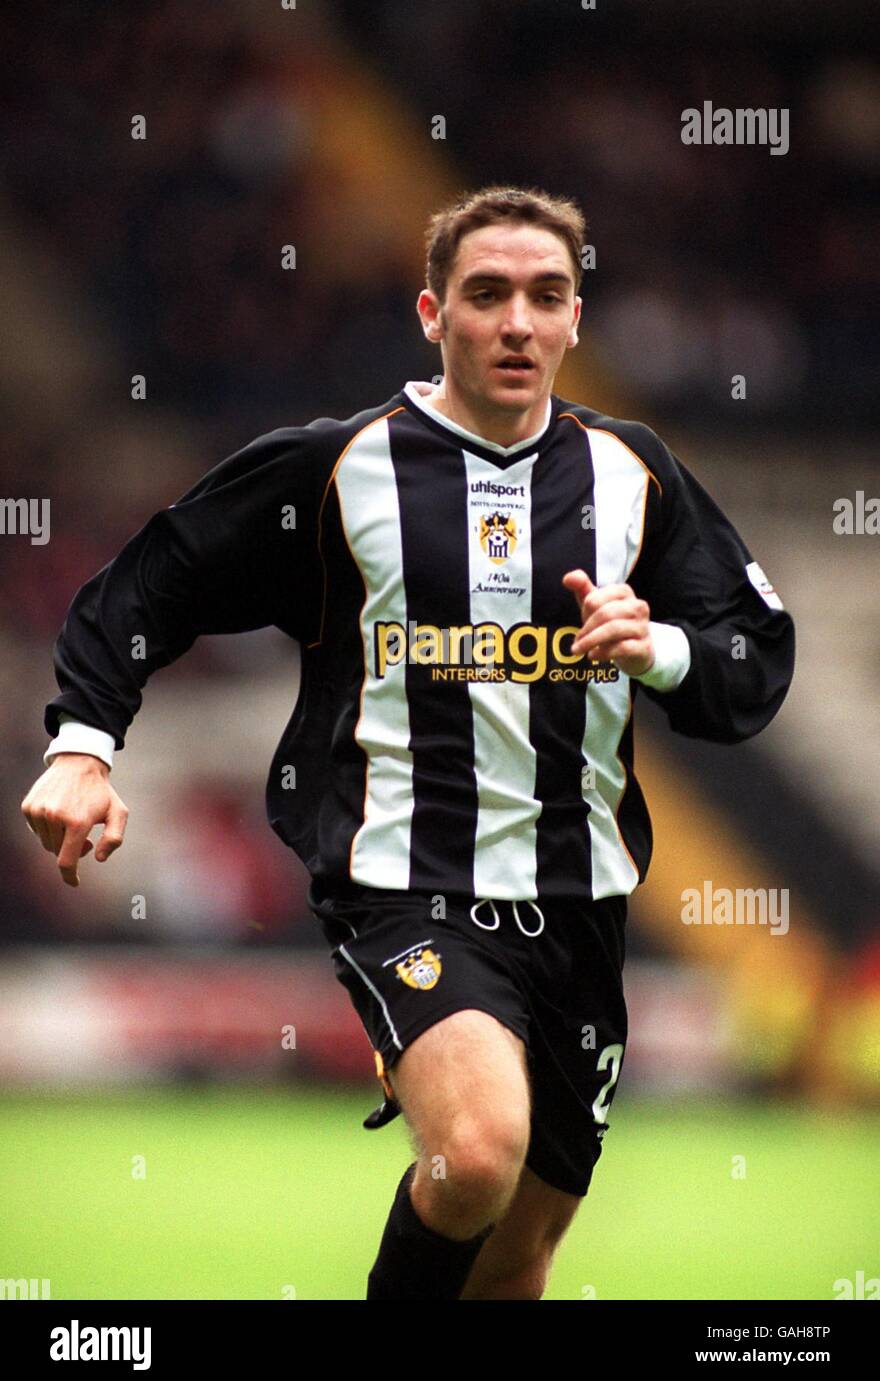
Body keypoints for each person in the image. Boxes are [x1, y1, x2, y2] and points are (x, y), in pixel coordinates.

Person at [21, 185, 795, 1300]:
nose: (516, 323)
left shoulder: (635, 477)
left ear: (578, 318)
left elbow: (752, 659)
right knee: (476, 1150)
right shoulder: (338, 470)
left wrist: (659, 647)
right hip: (406, 883)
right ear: (432, 313)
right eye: (486, 295)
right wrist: (85, 745)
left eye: (546, 296)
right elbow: (153, 577)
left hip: (581, 901)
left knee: (517, 1252)